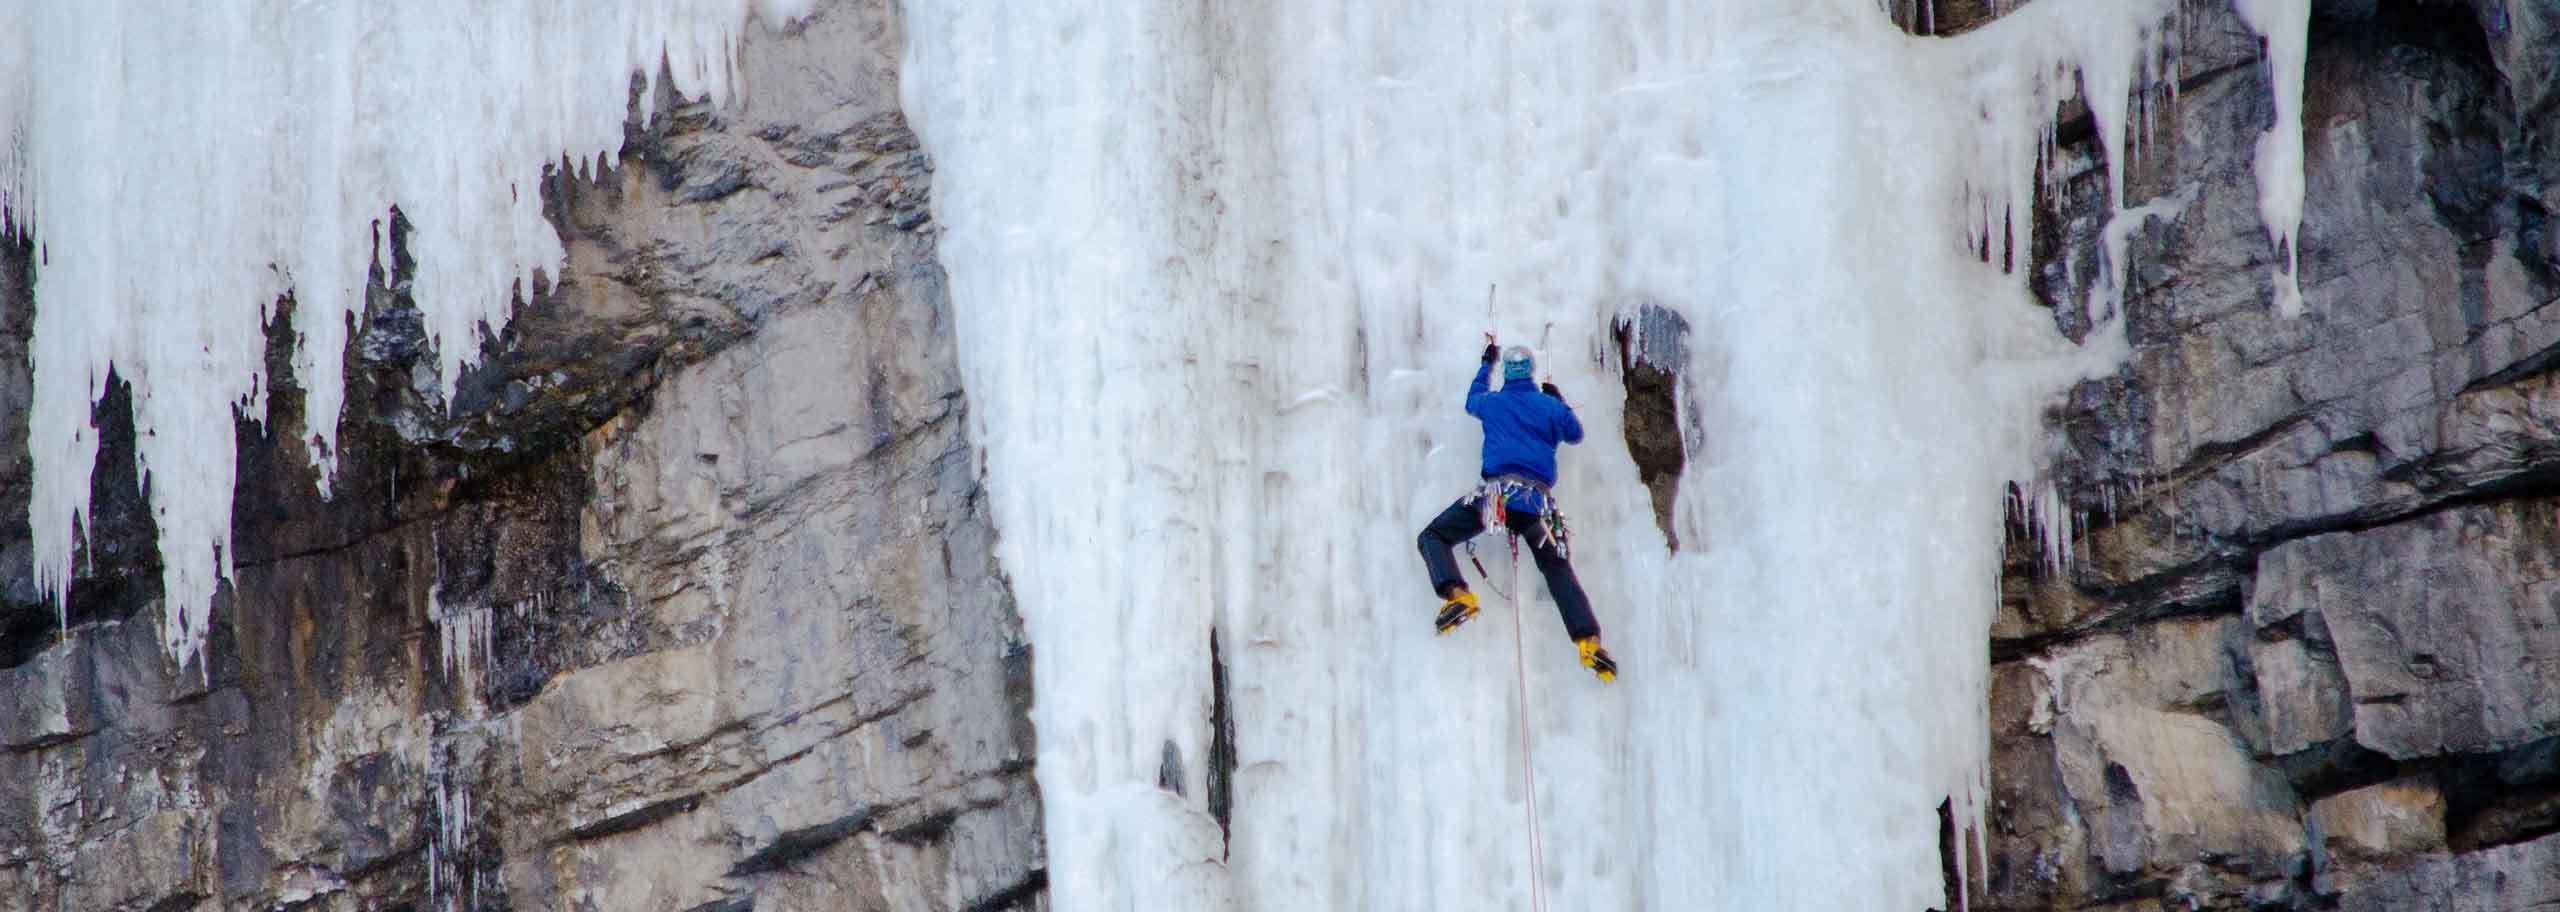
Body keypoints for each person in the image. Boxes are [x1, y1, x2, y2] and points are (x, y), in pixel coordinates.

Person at [1416, 336, 1616, 681]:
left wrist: (1485, 362)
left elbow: (1471, 401)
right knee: (1557, 569)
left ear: (1508, 373)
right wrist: (1558, 401)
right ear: (1532, 372)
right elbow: (1575, 433)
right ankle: (1589, 642)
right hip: (1536, 506)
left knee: (1432, 536)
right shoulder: (1549, 407)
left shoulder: (1493, 403)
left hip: (1496, 499)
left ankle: (1458, 595)